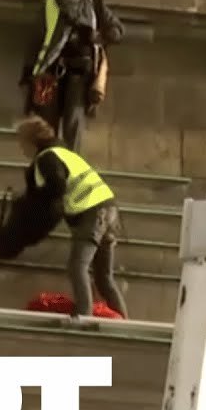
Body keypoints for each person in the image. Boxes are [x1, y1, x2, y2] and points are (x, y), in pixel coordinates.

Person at [15, 116, 127, 318]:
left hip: (91, 211)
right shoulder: (65, 153)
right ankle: (124, 321)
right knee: (104, 277)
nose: (21, 148)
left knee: (78, 266)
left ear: (31, 141)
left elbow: (56, 186)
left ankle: (83, 316)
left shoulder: (47, 158)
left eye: (21, 142)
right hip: (109, 208)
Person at [21, 0, 124, 153]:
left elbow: (117, 29)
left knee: (73, 123)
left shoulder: (93, 4)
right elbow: (35, 39)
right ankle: (47, 161)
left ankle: (70, 167)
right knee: (46, 124)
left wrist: (101, 36)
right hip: (48, 72)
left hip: (79, 74)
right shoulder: (51, 5)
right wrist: (28, 72)